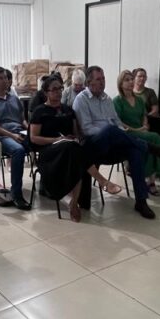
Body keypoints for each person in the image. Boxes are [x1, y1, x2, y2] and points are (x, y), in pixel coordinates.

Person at [73, 66, 160, 219]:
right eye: (98, 79)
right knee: (109, 129)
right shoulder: (81, 99)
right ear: (89, 82)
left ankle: (141, 201)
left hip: (113, 142)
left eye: (103, 78)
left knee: (134, 151)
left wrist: (117, 132)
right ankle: (148, 146)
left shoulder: (106, 99)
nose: (102, 82)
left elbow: (117, 122)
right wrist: (110, 132)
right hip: (93, 145)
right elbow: (86, 129)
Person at [30, 76, 122, 222]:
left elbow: (76, 133)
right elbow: (34, 138)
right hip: (49, 153)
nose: (59, 92)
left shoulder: (68, 110)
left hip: (69, 149)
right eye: (54, 89)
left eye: (60, 88)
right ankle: (102, 182)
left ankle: (74, 202)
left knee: (75, 150)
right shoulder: (40, 111)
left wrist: (75, 138)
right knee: (74, 150)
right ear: (46, 92)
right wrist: (57, 140)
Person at [113, 69, 160, 194]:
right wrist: (137, 129)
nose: (131, 82)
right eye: (127, 80)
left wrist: (144, 125)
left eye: (131, 79)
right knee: (154, 137)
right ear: (120, 83)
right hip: (127, 133)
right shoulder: (117, 101)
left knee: (151, 146)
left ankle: (150, 181)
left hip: (141, 132)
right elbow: (118, 122)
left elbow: (144, 116)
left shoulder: (139, 100)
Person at [0, 66, 32, 210]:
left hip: (20, 132)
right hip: (2, 136)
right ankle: (16, 194)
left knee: (42, 143)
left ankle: (47, 185)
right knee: (18, 150)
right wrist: (12, 135)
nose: (4, 81)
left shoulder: (14, 99)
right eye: (0, 78)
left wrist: (30, 130)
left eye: (5, 77)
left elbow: (22, 119)